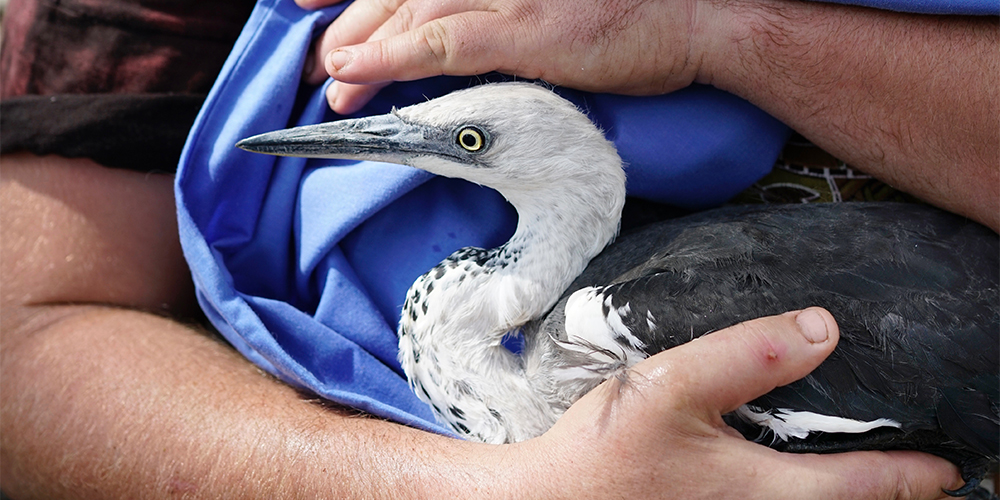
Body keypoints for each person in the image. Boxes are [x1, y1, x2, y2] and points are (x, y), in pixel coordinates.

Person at [1, 0, 993, 498]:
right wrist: (496, 492)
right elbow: (24, 343)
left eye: (462, 143)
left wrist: (717, 31)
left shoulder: (622, 317)